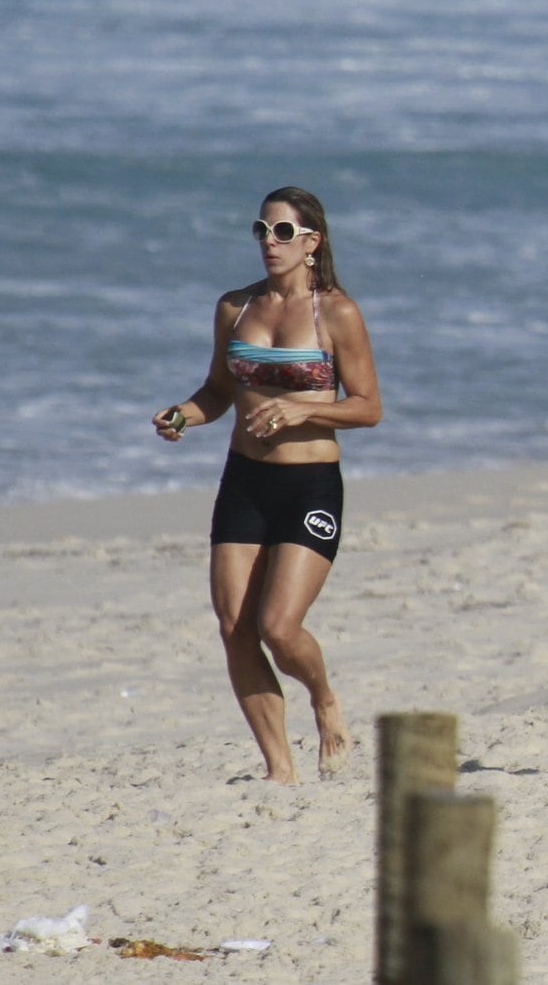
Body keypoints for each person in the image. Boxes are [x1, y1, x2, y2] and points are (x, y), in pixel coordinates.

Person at [153, 186, 381, 784]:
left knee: (279, 628)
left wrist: (303, 411)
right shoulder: (234, 307)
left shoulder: (337, 313)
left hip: (310, 486)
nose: (269, 243)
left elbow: (367, 407)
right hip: (245, 482)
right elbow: (217, 393)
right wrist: (181, 414)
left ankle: (324, 698)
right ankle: (280, 768)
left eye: (282, 232)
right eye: (261, 230)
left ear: (312, 242)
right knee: (235, 627)